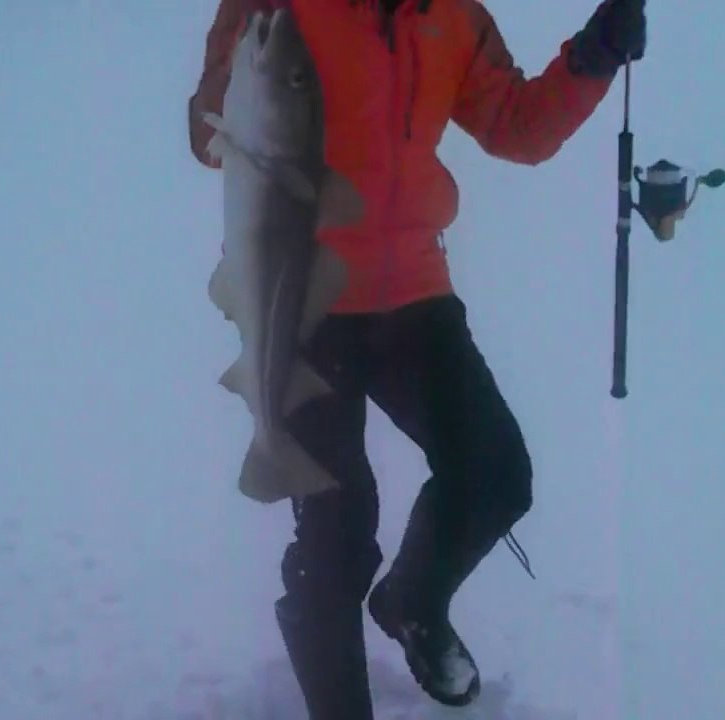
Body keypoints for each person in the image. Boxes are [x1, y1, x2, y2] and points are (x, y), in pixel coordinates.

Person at [188, 0, 646, 716]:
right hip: (302, 301)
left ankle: (412, 603)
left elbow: (517, 128)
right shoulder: (279, 10)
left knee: (495, 473)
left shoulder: (452, 14)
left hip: (412, 294)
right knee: (338, 533)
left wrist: (592, 57)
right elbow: (206, 129)